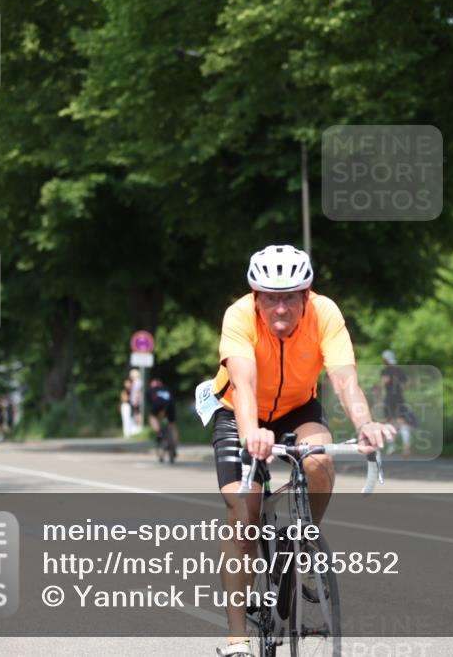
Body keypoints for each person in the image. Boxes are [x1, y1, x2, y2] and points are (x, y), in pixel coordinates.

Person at [205, 244, 395, 657]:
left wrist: (364, 425)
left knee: (321, 459)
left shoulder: (325, 313)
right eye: (271, 298)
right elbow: (244, 384)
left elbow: (345, 380)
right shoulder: (238, 316)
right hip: (237, 408)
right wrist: (253, 432)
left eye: (290, 297)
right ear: (256, 297)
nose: (280, 308)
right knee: (243, 512)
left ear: (306, 296)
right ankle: (237, 638)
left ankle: (304, 543)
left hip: (297, 408)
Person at [381, 349, 414, 454]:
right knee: (401, 421)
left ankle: (392, 446)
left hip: (390, 398)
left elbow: (385, 381)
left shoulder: (386, 370)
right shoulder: (400, 370)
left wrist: (378, 387)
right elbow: (407, 384)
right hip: (399, 397)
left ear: (386, 359)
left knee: (389, 421)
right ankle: (406, 445)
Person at [147, 378, 179, 457]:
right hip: (170, 405)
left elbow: (150, 403)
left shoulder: (151, 390)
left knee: (152, 417)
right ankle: (174, 446)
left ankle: (159, 433)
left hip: (157, 404)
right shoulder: (166, 388)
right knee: (172, 425)